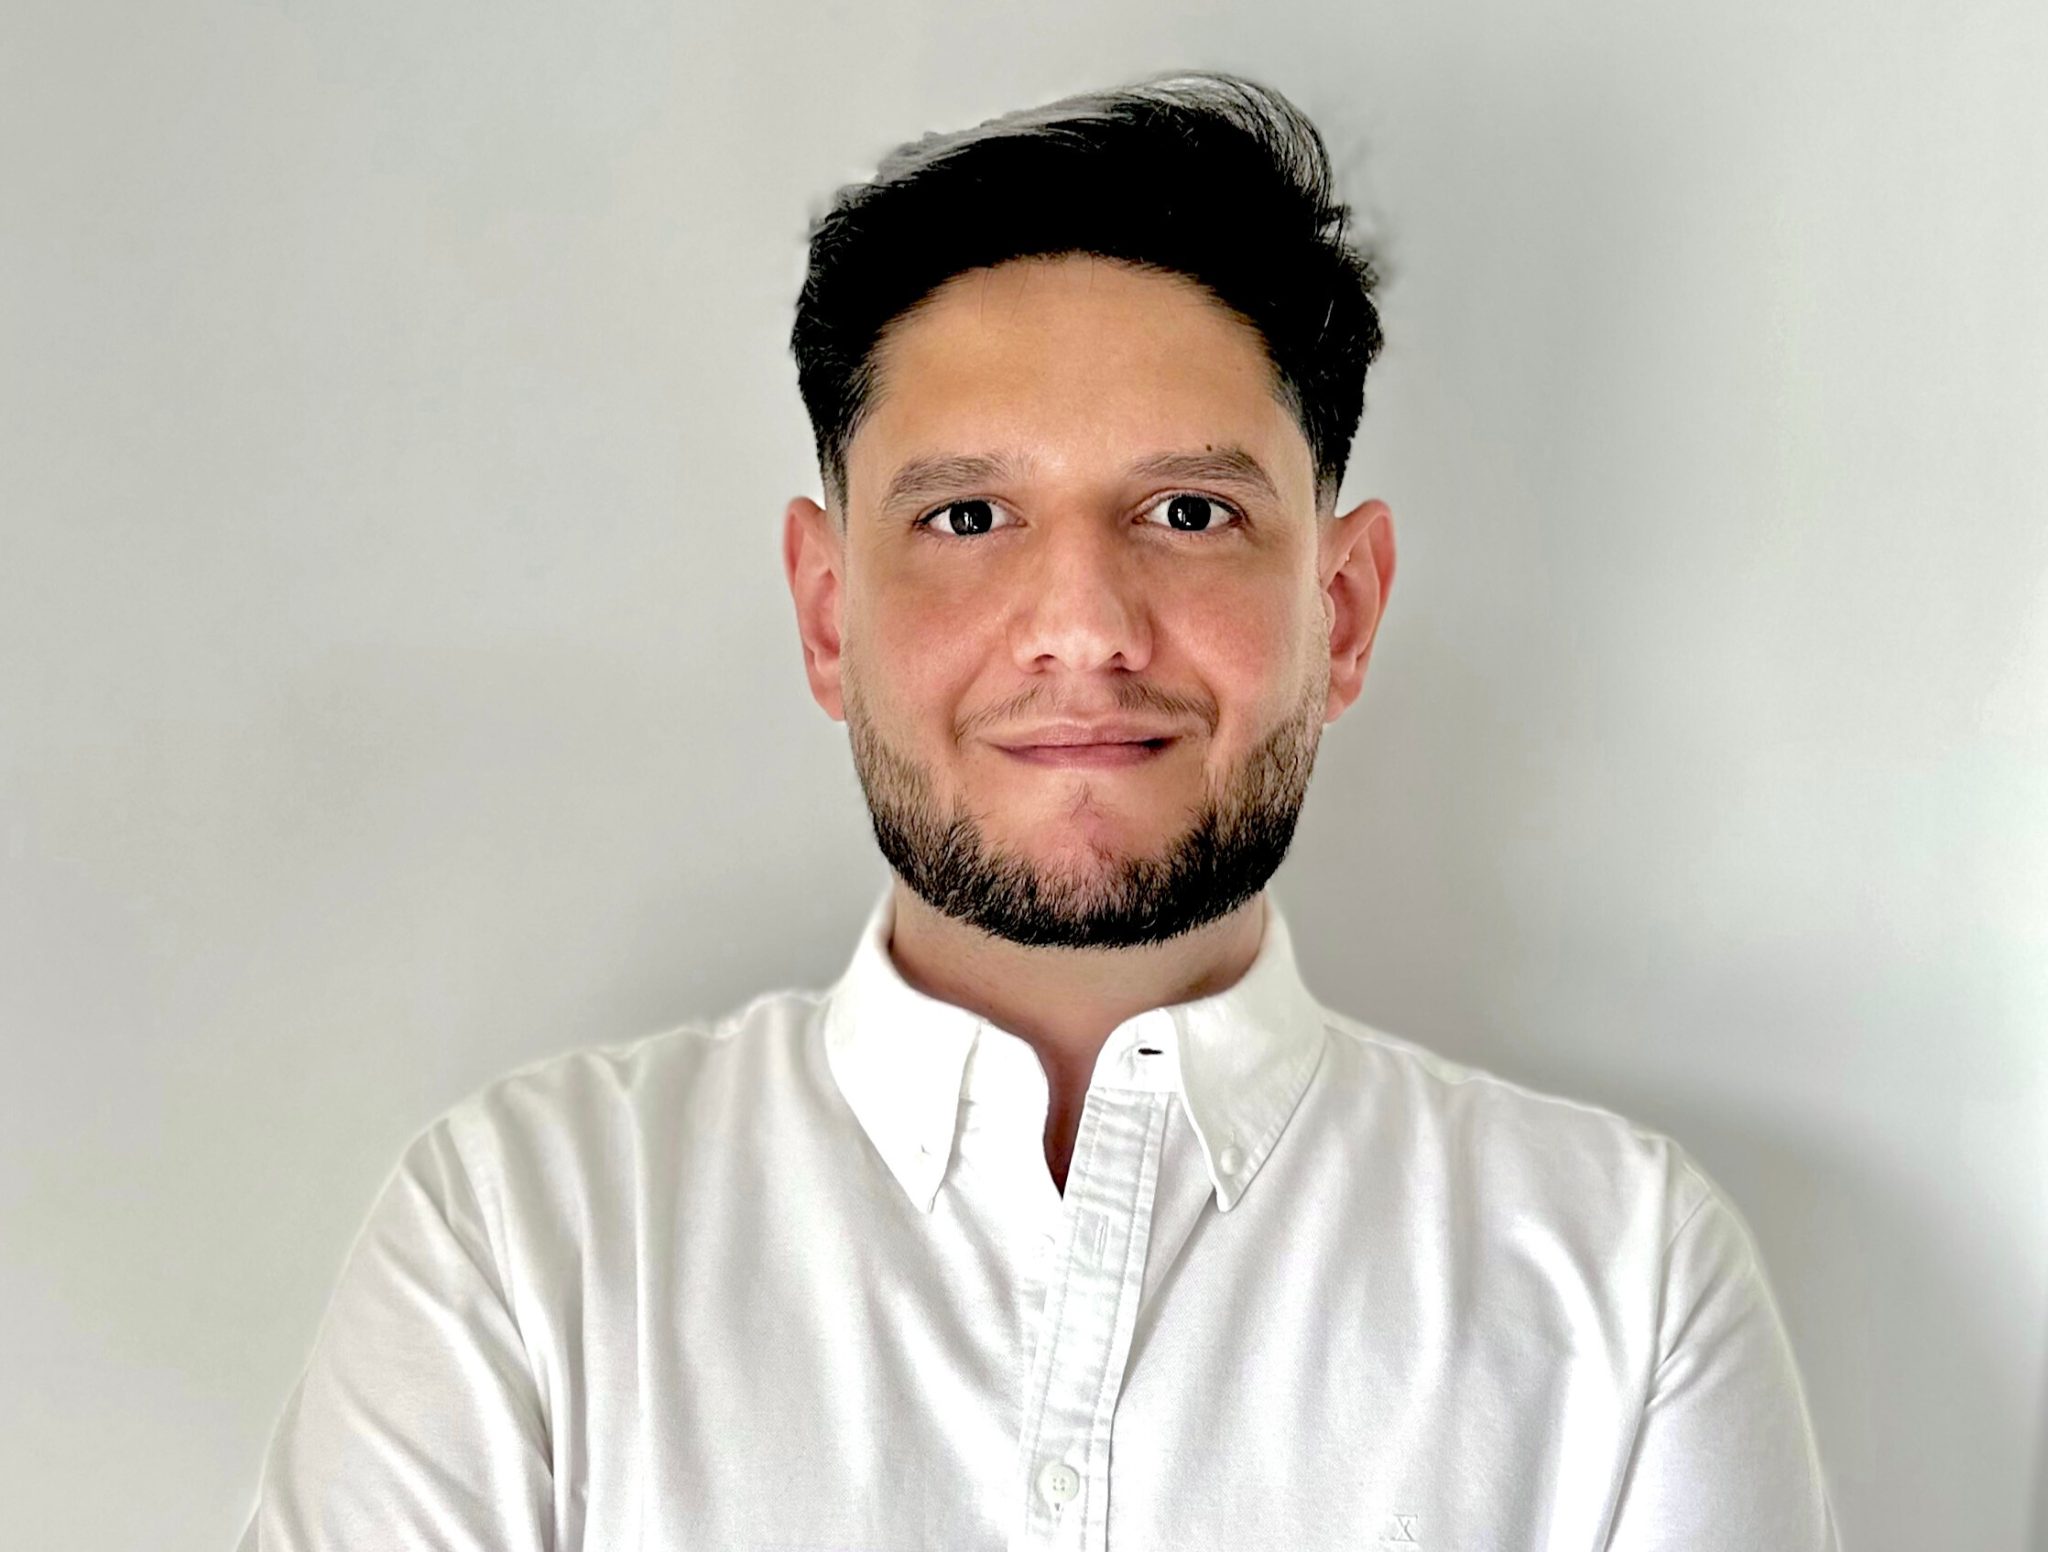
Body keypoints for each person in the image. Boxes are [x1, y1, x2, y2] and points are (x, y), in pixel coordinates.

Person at [237, 71, 1839, 1550]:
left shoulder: (1624, 1289)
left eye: (1190, 510)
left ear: (1343, 612)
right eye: (968, 516)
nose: (1083, 627)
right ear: (827, 611)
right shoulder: (519, 1249)